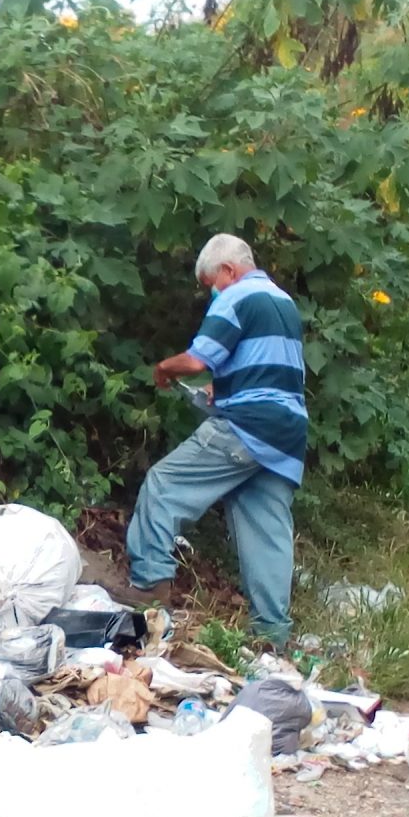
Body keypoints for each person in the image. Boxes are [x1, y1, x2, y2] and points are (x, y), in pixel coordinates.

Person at [114, 234, 307, 645]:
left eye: (210, 284)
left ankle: (149, 588)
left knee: (164, 486)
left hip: (248, 424)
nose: (211, 294)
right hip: (286, 433)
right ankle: (272, 635)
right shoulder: (284, 302)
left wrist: (164, 368)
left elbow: (196, 360)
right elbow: (269, 367)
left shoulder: (237, 296)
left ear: (228, 271)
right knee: (265, 530)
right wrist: (225, 386)